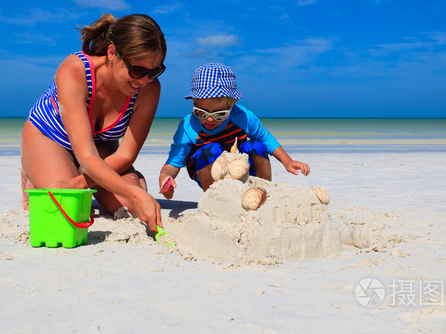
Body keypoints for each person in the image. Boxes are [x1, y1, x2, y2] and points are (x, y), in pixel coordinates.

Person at [20, 13, 166, 232]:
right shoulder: (75, 70)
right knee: (69, 209)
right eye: (137, 70)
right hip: (49, 138)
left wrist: (79, 182)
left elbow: (125, 154)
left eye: (154, 72)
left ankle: (83, 176)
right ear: (112, 53)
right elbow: (87, 157)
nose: (144, 80)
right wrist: (134, 192)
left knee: (128, 207)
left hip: (98, 147)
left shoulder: (149, 89)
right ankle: (31, 170)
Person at [158, 63, 309, 199]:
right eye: (201, 113)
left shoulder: (243, 117)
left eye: (219, 115)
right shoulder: (187, 127)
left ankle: (262, 191)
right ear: (193, 101)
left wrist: (287, 161)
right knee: (211, 149)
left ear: (233, 103)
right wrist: (165, 177)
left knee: (255, 145)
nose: (209, 120)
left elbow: (265, 138)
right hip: (209, 173)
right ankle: (215, 199)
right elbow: (174, 162)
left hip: (242, 168)